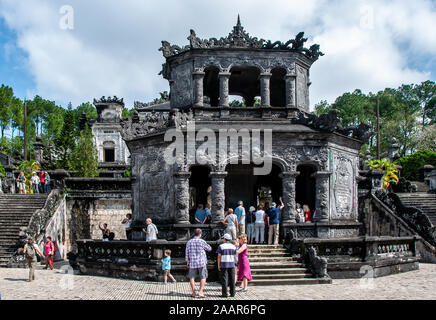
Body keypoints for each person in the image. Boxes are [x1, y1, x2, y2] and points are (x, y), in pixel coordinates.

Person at [185, 228, 212, 298]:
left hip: (192, 261)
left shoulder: (189, 242)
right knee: (203, 276)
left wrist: (187, 261)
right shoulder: (202, 241)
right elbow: (209, 249)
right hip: (201, 261)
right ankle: (200, 292)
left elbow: (187, 252)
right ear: (200, 234)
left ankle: (193, 292)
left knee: (191, 277)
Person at [216, 233, 237, 297]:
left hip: (224, 264)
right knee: (232, 279)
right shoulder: (233, 246)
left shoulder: (221, 246)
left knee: (224, 279)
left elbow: (219, 256)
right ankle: (232, 293)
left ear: (224, 239)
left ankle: (224, 294)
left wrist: (218, 265)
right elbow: (234, 256)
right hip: (231, 264)